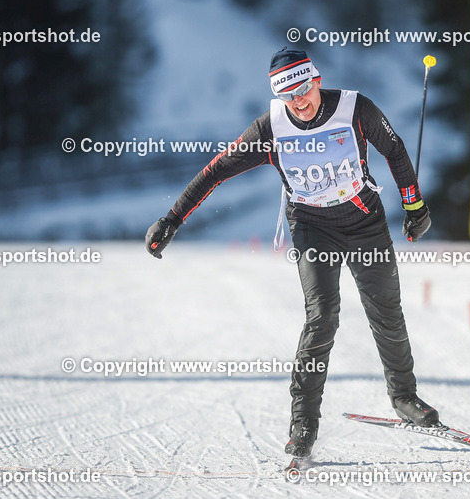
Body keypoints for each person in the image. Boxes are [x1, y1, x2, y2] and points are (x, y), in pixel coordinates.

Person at [144, 48, 439, 458]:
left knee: (386, 310)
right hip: (312, 228)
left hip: (365, 223)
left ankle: (404, 397)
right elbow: (217, 170)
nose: (298, 101)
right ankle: (303, 421)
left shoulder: (355, 108)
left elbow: (395, 149)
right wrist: (172, 218)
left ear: (315, 79)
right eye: (288, 94)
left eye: (302, 88)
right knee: (322, 317)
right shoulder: (270, 129)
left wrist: (415, 206)